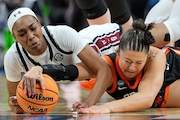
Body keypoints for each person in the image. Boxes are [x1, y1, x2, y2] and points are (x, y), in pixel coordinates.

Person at [32, 19, 180, 113]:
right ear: (118, 53)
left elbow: (146, 98)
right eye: (127, 61)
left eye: (139, 63)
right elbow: (69, 71)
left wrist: (106, 107)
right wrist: (40, 69)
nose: (132, 68)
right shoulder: (107, 66)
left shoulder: (155, 56)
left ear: (147, 56)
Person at [4, 7, 112, 114]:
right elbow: (14, 98)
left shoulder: (62, 34)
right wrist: (18, 105)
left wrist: (88, 104)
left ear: (39, 23)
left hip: (108, 45)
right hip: (85, 77)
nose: (30, 36)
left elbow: (104, 70)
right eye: (22, 34)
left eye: (33, 28)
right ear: (14, 36)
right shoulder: (13, 57)